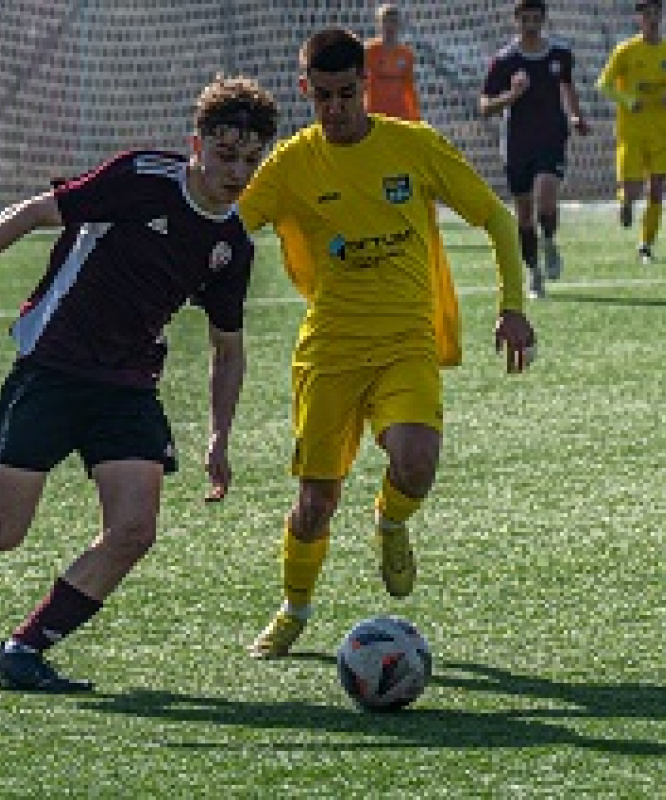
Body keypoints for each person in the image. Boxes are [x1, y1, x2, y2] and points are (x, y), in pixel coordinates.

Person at [237, 27, 536, 659]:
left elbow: (497, 218)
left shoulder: (415, 147)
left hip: (406, 340)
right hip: (330, 351)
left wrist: (512, 307)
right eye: (323, 96)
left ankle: (391, 519)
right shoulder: (291, 164)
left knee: (417, 462)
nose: (337, 108)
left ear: (365, 86)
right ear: (305, 91)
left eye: (347, 93)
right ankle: (294, 607)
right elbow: (226, 225)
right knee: (316, 503)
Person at [0, 76, 277, 691]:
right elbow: (36, 213)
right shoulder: (143, 177)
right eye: (225, 155)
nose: (236, 172)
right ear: (196, 144)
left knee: (132, 530)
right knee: (6, 531)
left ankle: (22, 649)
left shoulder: (231, 245)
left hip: (126, 386)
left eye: (251, 162)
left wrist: (219, 438)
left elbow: (227, 350)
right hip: (53, 365)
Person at [479, 0, 589, 299]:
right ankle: (534, 273)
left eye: (535, 18)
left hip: (552, 138)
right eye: (525, 18)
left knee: (546, 199)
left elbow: (567, 88)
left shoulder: (560, 54)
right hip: (517, 145)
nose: (530, 24)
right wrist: (511, 96)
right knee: (524, 216)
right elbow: (485, 107)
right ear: (516, 21)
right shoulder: (504, 61)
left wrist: (576, 116)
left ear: (543, 20)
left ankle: (550, 241)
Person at [596, 0, 666, 264]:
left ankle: (646, 244)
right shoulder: (625, 51)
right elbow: (604, 85)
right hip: (631, 132)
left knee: (657, 189)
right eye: (646, 14)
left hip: (661, 132)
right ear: (639, 18)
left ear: (662, 16)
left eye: (656, 14)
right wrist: (628, 100)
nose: (652, 19)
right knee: (631, 189)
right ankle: (626, 204)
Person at [364, 3, 422, 121]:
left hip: (399, 115)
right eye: (386, 21)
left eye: (394, 22)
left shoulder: (406, 54)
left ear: (399, 25)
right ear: (379, 24)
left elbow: (409, 87)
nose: (390, 26)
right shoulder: (369, 50)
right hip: (374, 114)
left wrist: (415, 116)